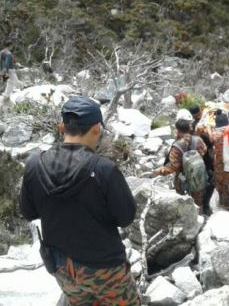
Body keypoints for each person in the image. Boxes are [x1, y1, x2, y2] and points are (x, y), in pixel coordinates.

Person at [20, 96, 140, 306]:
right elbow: (126, 217)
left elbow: (29, 212)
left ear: (61, 127)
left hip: (62, 266)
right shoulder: (103, 169)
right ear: (96, 129)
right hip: (104, 268)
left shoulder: (34, 164)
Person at [152, 118, 208, 212]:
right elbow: (204, 151)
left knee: (183, 200)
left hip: (183, 178)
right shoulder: (198, 140)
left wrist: (158, 171)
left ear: (177, 130)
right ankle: (200, 215)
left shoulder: (177, 146)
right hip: (199, 176)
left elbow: (173, 167)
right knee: (198, 200)